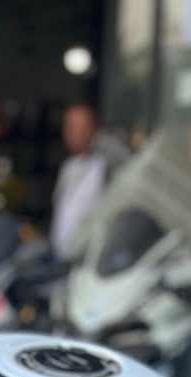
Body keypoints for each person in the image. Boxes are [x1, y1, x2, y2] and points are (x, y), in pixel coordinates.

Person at [50, 104, 107, 260]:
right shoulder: (68, 166)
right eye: (72, 128)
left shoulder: (105, 166)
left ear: (96, 128)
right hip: (61, 257)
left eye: (84, 127)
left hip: (89, 258)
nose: (78, 134)